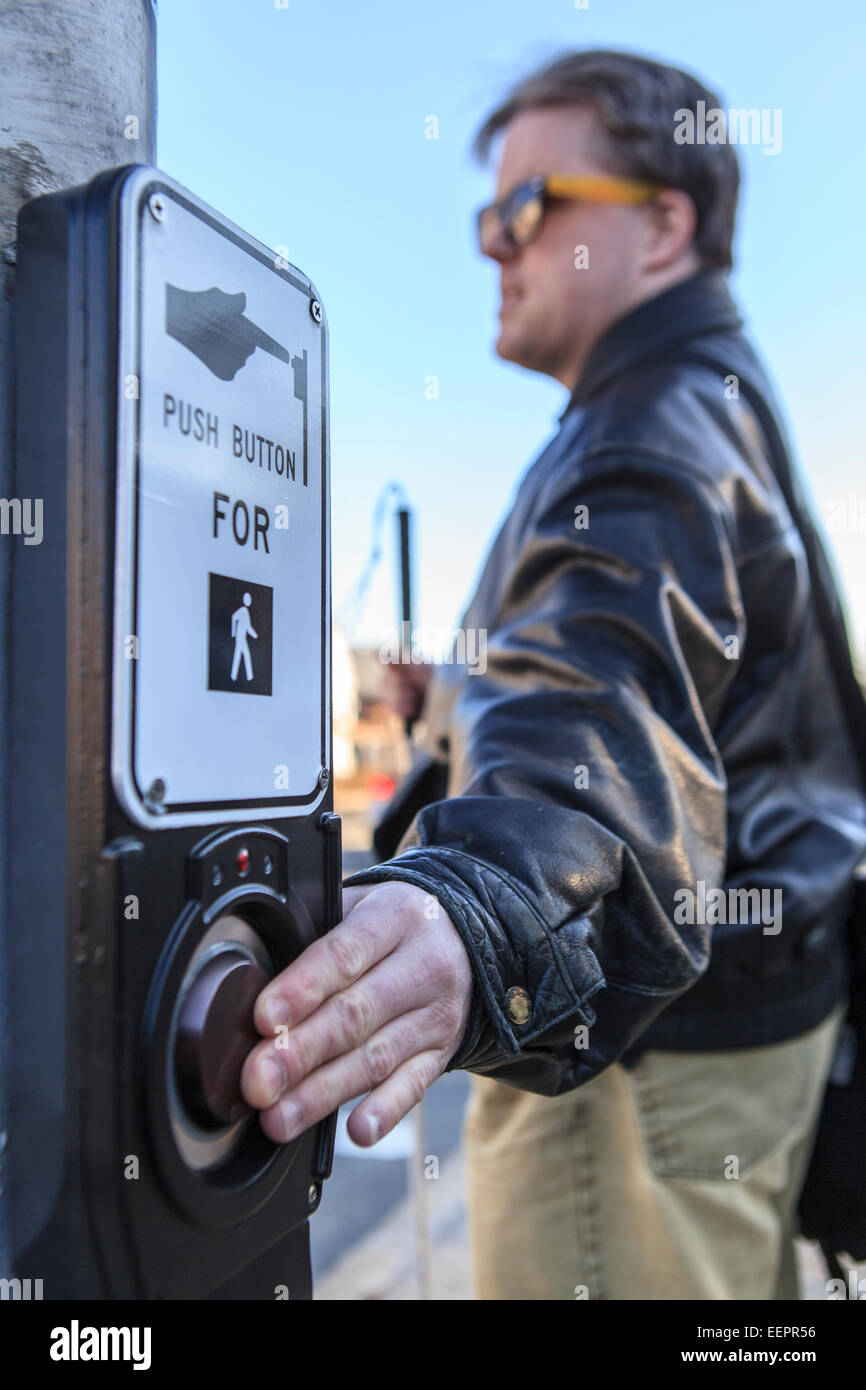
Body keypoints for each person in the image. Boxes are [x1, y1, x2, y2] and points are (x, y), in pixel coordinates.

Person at [240, 49, 866, 1299]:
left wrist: (480, 903)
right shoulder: (704, 398)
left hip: (630, 1076)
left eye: (524, 209)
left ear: (661, 225)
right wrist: (451, 723)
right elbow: (646, 676)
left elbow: (601, 706)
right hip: (729, 1033)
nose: (489, 245)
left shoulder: (644, 433)